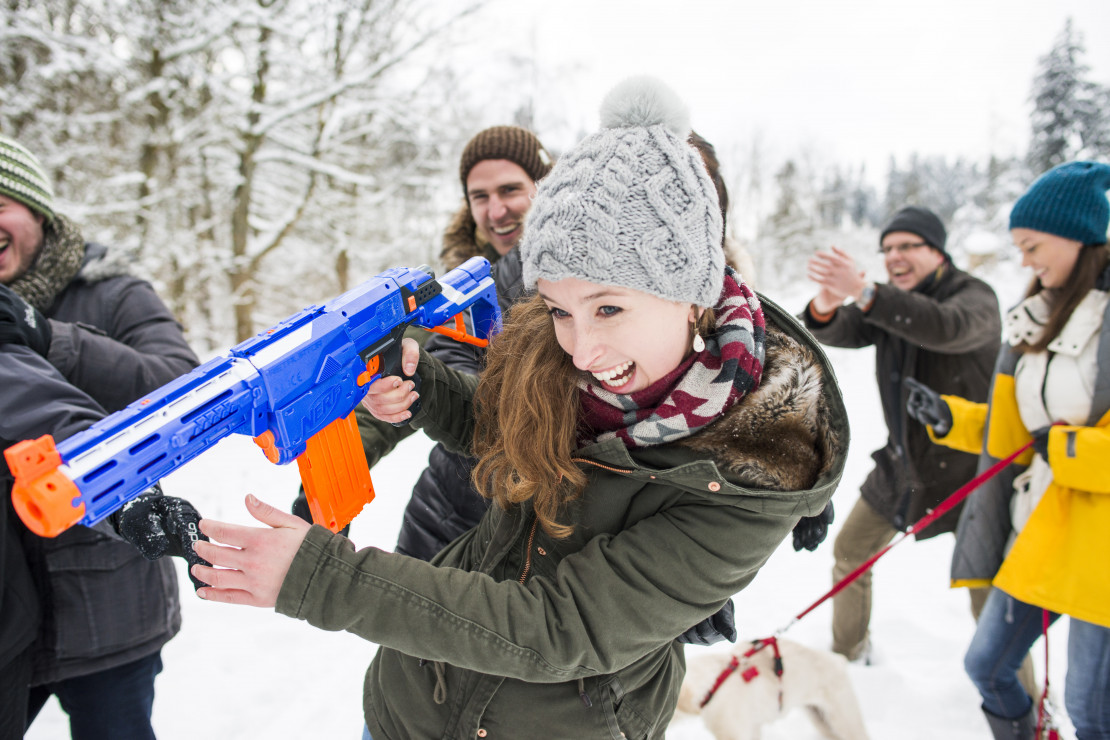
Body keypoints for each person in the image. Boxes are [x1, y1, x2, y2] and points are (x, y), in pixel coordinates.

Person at [192, 76, 849, 740]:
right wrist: (424, 385)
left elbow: (558, 628)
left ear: (694, 294)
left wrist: (321, 579)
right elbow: (512, 438)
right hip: (415, 699)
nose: (584, 350)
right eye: (561, 310)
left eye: (610, 308)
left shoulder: (752, 470)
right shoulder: (557, 352)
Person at [0, 134, 208, 739]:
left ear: (35, 207)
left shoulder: (111, 289)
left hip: (108, 612)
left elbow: (183, 391)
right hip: (11, 616)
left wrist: (49, 337)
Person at [906, 161, 1110, 740]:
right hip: (1039, 528)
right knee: (987, 666)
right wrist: (952, 418)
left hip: (1101, 549)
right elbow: (1020, 430)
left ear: (1076, 235)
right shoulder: (1036, 321)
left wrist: (1068, 448)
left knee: (1093, 711)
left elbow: (1057, 440)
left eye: (1032, 245)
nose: (1024, 260)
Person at [801, 205, 1009, 666]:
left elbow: (943, 328)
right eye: (887, 248)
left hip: (969, 468)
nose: (894, 256)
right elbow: (843, 327)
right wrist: (828, 304)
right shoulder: (889, 301)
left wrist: (866, 291)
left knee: (984, 579)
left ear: (937, 251)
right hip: (903, 464)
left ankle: (1008, 686)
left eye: (907, 246)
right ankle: (849, 658)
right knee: (850, 551)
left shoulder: (975, 297)